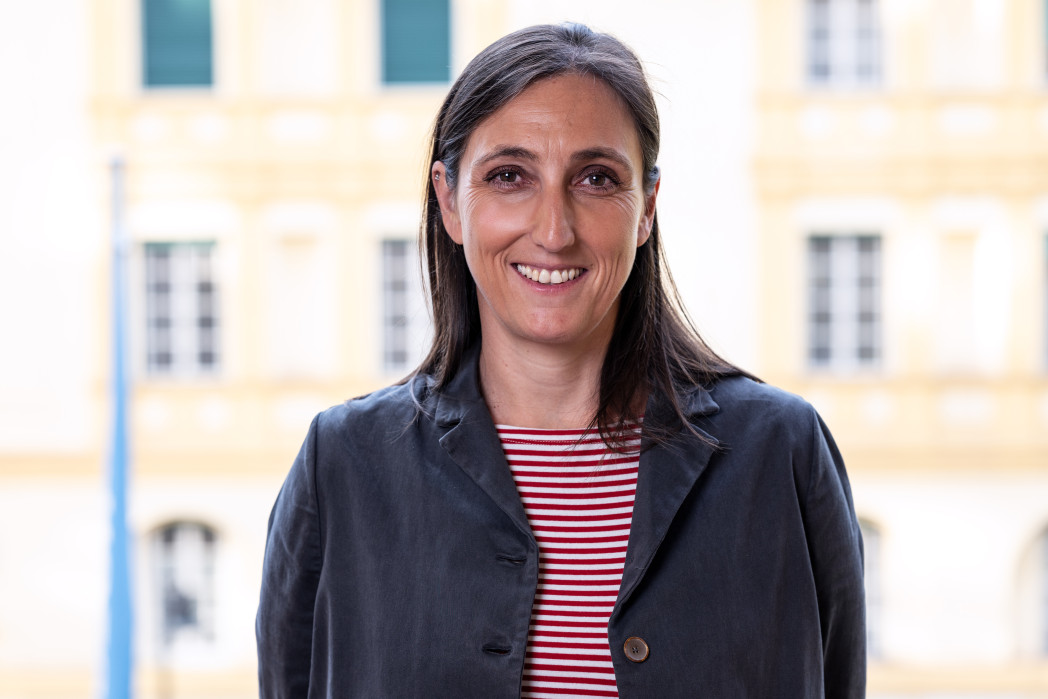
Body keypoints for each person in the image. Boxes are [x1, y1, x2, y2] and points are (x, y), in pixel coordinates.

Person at [256, 23, 866, 698]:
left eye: (596, 178)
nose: (553, 229)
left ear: (646, 208)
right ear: (449, 200)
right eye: (509, 176)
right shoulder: (344, 465)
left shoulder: (778, 454)